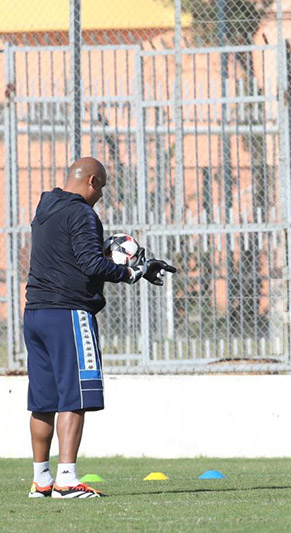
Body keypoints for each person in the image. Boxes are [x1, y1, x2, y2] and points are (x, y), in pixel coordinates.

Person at [25, 157, 176, 498]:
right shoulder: (82, 213)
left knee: (43, 401)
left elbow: (72, 256)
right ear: (92, 181)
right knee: (74, 397)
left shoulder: (44, 208)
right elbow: (91, 263)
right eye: (102, 187)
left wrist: (128, 261)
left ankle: (41, 479)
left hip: (35, 312)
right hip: (68, 314)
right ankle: (66, 479)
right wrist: (130, 272)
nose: (101, 195)